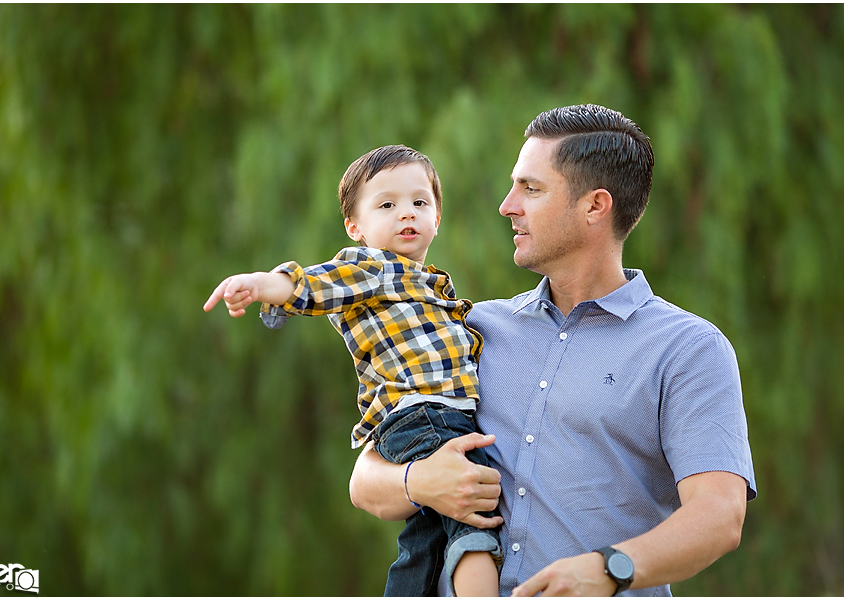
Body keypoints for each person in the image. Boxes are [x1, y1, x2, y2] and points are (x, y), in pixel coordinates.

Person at [348, 105, 757, 597]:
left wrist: (610, 569)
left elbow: (719, 515)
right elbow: (365, 479)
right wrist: (419, 481)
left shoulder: (689, 350)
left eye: (531, 189)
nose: (507, 205)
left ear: (594, 206)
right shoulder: (470, 328)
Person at [203, 145, 502, 597]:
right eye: (387, 205)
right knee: (475, 514)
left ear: (437, 218)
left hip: (427, 418)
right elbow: (316, 285)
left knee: (424, 542)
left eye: (420, 202)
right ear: (355, 227)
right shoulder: (372, 268)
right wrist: (262, 284)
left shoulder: (430, 285)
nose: (407, 213)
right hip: (425, 415)